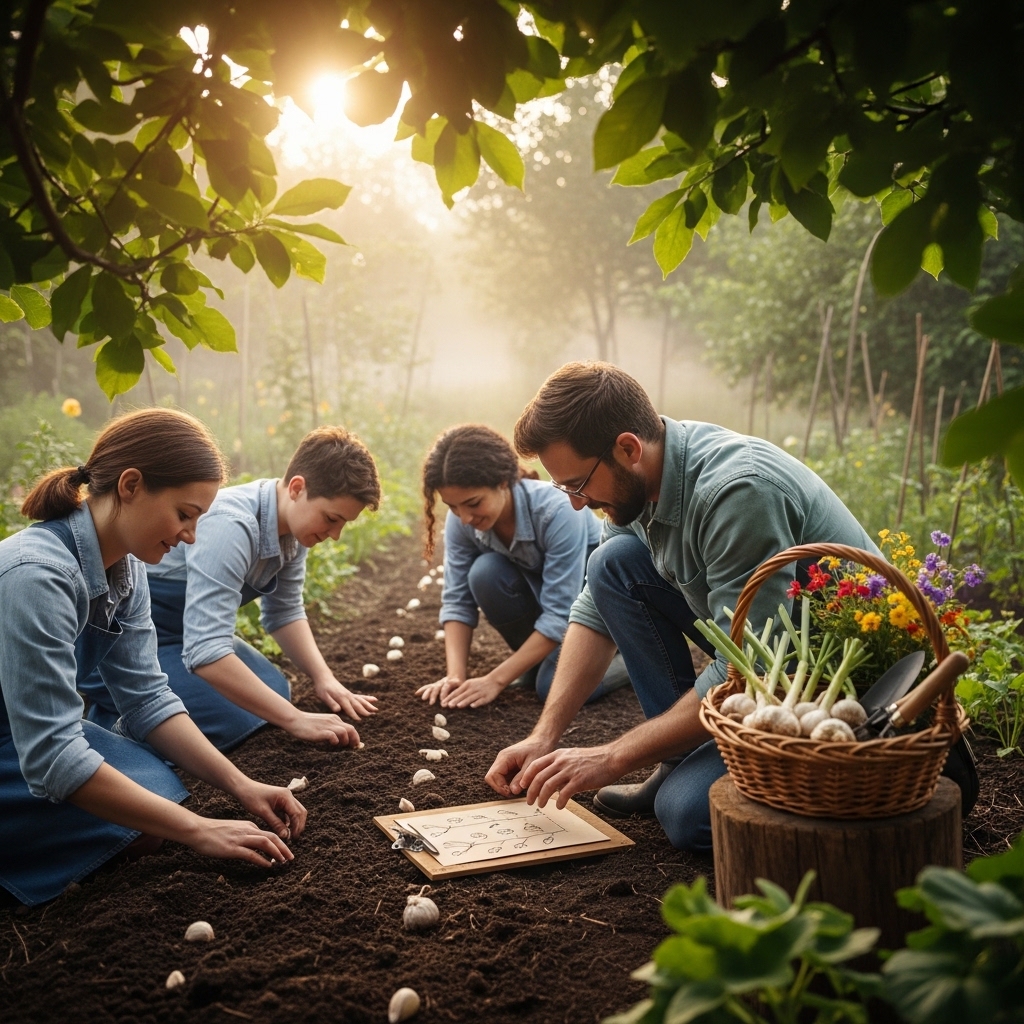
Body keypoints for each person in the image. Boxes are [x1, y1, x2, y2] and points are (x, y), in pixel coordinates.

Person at [484, 362, 876, 852]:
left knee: (687, 814)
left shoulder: (736, 492)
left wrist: (611, 757)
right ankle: (679, 757)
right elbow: (595, 609)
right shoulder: (638, 483)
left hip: (835, 689)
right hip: (768, 661)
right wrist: (545, 736)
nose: (577, 504)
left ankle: (855, 818)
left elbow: (752, 665)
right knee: (612, 563)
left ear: (627, 448)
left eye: (577, 484)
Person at [0, 409, 307, 907]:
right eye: (184, 514)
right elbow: (52, 754)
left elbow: (145, 697)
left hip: (21, 734)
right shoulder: (37, 575)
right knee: (145, 826)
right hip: (20, 743)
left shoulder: (126, 567)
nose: (190, 535)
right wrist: (200, 830)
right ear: (131, 485)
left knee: (157, 792)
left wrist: (242, 786)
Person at [85, 427, 382, 752]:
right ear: (297, 488)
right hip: (122, 644)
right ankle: (111, 727)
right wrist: (296, 719)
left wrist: (324, 679)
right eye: (331, 518)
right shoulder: (232, 524)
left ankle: (128, 707)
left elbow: (284, 612)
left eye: (342, 524)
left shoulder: (296, 534)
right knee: (234, 717)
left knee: (274, 688)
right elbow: (206, 651)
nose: (335, 534)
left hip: (180, 637)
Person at [415, 424, 628, 709]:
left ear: (503, 482)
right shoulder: (462, 521)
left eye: (473, 503)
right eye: (452, 507)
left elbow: (559, 613)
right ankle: (537, 661)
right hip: (557, 615)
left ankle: (629, 654)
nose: (463, 517)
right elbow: (457, 601)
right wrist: (455, 676)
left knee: (551, 686)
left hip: (602, 609)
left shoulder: (557, 510)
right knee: (485, 573)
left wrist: (497, 679)